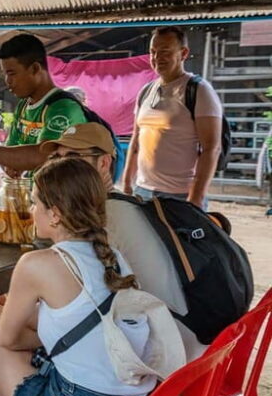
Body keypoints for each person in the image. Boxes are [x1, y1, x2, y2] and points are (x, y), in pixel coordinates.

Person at [0, 158, 155, 396]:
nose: (31, 209)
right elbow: (49, 318)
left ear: (55, 214)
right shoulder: (111, 256)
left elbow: (10, 339)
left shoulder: (37, 264)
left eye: (35, 202)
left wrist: (41, 336)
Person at [40, 122, 207, 361]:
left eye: (74, 157)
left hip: (161, 356)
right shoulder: (121, 202)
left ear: (104, 163)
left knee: (10, 341)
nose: (60, 165)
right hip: (177, 341)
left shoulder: (106, 214)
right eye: (56, 157)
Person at [0, 34, 87, 178]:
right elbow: (12, 149)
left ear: (35, 69)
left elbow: (44, 156)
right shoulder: (23, 106)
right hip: (34, 193)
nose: (7, 81)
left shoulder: (63, 107)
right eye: (5, 74)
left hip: (64, 196)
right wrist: (12, 164)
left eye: (12, 73)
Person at [123, 26, 222, 209]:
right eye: (153, 52)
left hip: (180, 195)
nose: (157, 58)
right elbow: (136, 140)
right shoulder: (146, 91)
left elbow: (211, 148)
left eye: (165, 52)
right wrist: (127, 183)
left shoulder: (198, 90)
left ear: (183, 53)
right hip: (143, 191)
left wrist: (195, 198)